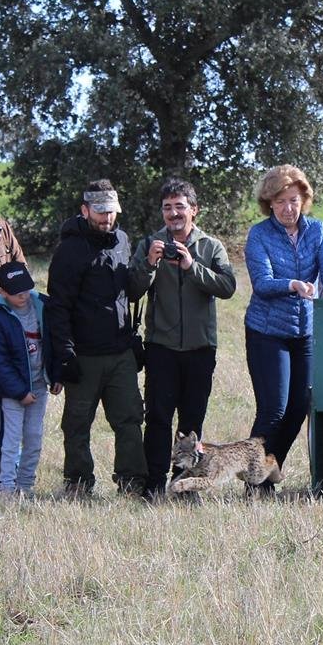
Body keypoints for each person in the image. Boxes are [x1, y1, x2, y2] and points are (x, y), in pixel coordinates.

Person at [128, 178, 237, 497]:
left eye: (180, 207)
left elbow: (227, 287)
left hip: (201, 348)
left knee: (191, 421)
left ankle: (183, 483)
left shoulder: (211, 247)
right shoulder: (149, 243)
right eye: (167, 208)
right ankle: (153, 483)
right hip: (161, 347)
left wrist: (191, 266)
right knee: (158, 418)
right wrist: (149, 263)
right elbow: (132, 291)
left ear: (194, 210)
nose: (174, 213)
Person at [48, 179, 149, 497]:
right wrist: (64, 352)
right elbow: (58, 305)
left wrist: (148, 268)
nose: (107, 218)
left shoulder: (122, 239)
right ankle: (78, 483)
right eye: (101, 211)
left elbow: (131, 292)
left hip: (120, 351)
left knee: (130, 419)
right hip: (84, 355)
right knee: (77, 424)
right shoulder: (69, 249)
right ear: (85, 209)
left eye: (112, 212)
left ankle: (132, 483)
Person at [244, 165, 323, 486]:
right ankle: (252, 478)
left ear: (304, 200)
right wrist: (294, 285)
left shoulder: (316, 230)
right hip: (266, 333)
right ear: (269, 203)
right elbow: (262, 283)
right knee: (274, 409)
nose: (289, 208)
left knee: (299, 408)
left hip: (305, 333)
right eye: (282, 201)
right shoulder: (259, 234)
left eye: (294, 200)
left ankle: (269, 475)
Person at [0, 262, 61, 497]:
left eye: (26, 289)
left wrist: (56, 375)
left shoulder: (43, 306)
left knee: (34, 438)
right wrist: (20, 392)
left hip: (39, 386)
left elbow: (55, 343)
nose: (23, 295)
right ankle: (6, 489)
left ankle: (26, 486)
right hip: (12, 391)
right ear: (2, 292)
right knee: (10, 440)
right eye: (16, 292)